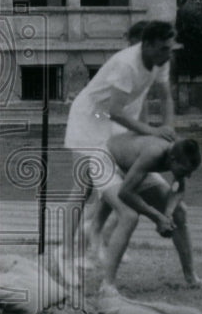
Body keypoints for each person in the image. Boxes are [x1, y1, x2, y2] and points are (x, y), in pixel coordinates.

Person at [57, 20, 179, 280]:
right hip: (90, 118)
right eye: (162, 49)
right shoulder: (126, 64)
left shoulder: (161, 59)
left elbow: (165, 97)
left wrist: (167, 129)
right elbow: (113, 111)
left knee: (117, 182)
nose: (168, 54)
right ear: (146, 45)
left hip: (115, 121)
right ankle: (65, 255)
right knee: (83, 188)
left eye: (170, 49)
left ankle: (95, 236)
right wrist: (151, 131)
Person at [96, 133, 202, 294]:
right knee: (129, 216)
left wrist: (168, 213)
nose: (189, 176)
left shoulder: (181, 151)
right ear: (172, 160)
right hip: (105, 160)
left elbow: (178, 186)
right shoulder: (154, 153)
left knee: (180, 212)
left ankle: (191, 279)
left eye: (191, 172)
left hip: (134, 166)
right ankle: (107, 285)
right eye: (186, 171)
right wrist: (157, 217)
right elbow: (125, 193)